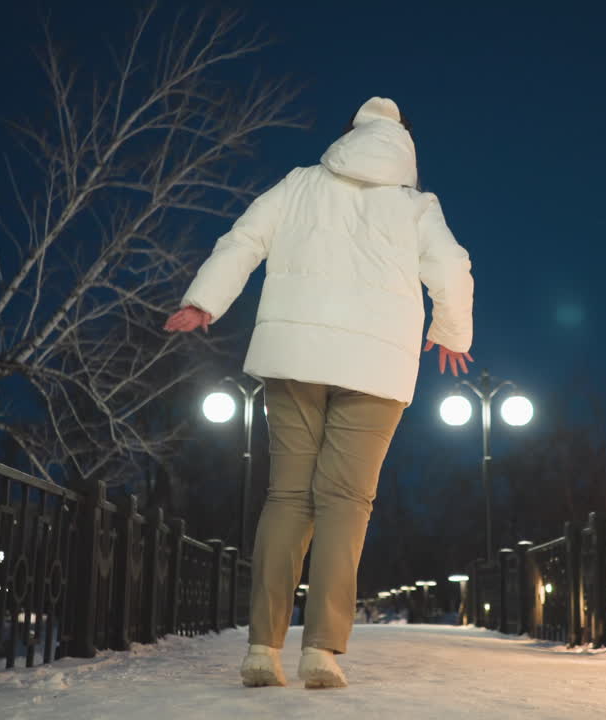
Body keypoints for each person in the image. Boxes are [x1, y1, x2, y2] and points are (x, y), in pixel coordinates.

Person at [164, 97, 474, 689]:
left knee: (287, 497)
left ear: (347, 137)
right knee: (345, 502)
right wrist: (451, 332)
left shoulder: (301, 183)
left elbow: (245, 238)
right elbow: (453, 267)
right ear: (406, 147)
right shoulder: (415, 207)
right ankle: (322, 652)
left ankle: (261, 648)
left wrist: (204, 300)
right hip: (375, 368)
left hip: (294, 358)